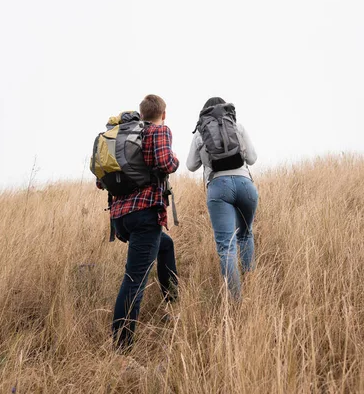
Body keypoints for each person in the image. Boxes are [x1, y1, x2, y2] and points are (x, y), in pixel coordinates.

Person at [110, 94, 179, 349]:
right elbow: (165, 163)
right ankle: (122, 347)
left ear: (141, 113)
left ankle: (173, 300)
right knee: (134, 280)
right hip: (145, 214)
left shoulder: (124, 136)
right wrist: (176, 161)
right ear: (163, 113)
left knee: (166, 245)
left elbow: (100, 181)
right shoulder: (158, 131)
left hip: (121, 217)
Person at [186, 97, 258, 298]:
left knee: (227, 246)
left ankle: (236, 302)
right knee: (245, 234)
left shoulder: (201, 133)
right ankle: (251, 284)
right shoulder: (237, 126)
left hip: (219, 187)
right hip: (246, 185)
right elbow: (252, 159)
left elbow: (191, 166)